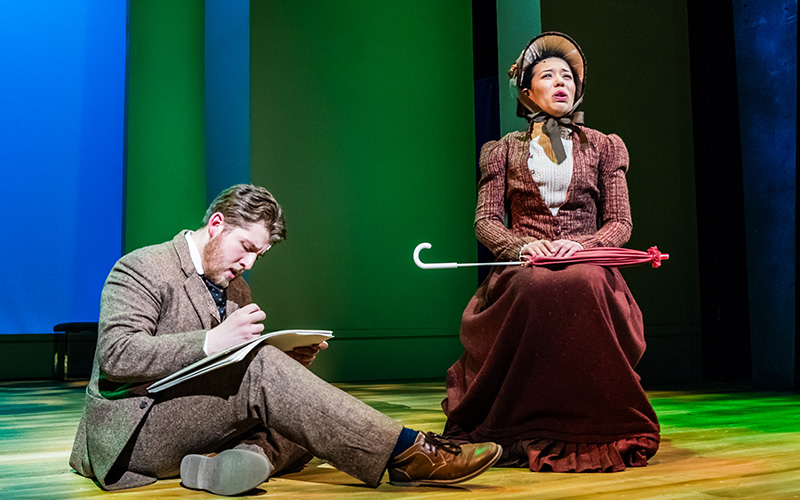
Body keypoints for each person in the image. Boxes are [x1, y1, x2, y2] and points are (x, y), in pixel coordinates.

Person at [70, 184, 501, 496]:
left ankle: (242, 460)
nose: (249, 263)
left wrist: (290, 361)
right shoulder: (143, 267)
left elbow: (231, 374)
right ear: (216, 224)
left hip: (197, 427)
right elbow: (117, 357)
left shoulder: (236, 288)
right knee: (285, 393)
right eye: (245, 247)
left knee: (305, 415)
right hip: (136, 434)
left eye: (258, 255)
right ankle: (408, 452)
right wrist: (212, 341)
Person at [441, 32, 660, 473]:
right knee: (534, 286)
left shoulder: (605, 145)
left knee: (583, 281)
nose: (561, 82)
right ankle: (518, 421)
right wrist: (522, 245)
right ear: (526, 92)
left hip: (588, 261)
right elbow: (486, 221)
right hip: (525, 262)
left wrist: (582, 246)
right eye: (548, 75)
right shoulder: (502, 150)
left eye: (568, 76)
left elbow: (620, 222)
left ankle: (594, 422)